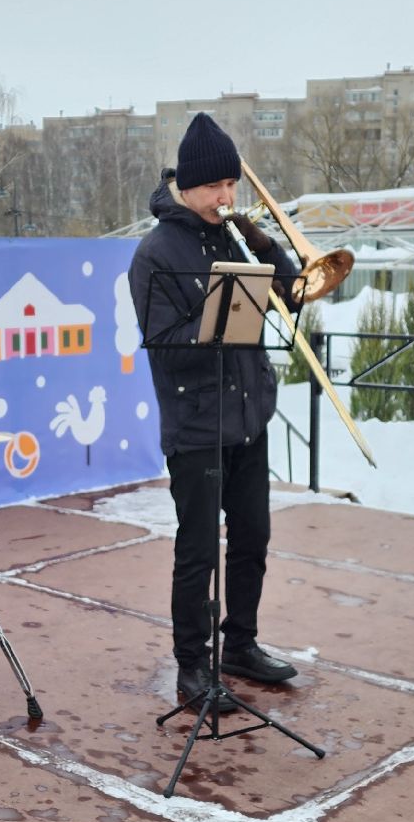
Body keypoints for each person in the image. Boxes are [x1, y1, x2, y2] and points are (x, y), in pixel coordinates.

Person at [127, 113, 301, 712]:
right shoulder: (154, 253)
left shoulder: (232, 234)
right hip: (197, 423)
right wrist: (219, 314)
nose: (226, 197)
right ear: (187, 185)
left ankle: (242, 644)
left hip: (250, 415)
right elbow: (161, 337)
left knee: (253, 537)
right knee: (199, 549)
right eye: (214, 187)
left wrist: (268, 248)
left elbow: (293, 291)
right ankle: (191, 668)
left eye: (232, 185)